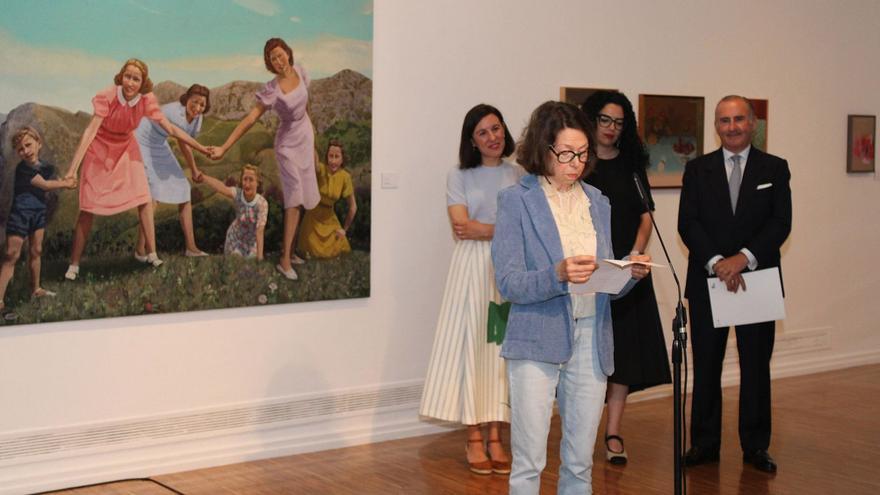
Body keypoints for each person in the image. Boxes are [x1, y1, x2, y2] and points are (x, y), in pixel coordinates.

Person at [492, 101, 652, 494]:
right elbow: (509, 283)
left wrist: (628, 273)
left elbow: (604, 282)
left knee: (580, 464)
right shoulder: (516, 201)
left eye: (582, 153)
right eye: (566, 154)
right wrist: (557, 275)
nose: (576, 163)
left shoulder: (597, 201)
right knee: (529, 463)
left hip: (591, 338)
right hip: (536, 338)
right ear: (542, 151)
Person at [678, 95, 791, 473]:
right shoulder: (697, 170)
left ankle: (756, 447)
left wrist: (743, 259)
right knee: (706, 365)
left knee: (756, 366)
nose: (732, 127)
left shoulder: (775, 168)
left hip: (756, 282)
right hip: (709, 283)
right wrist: (717, 263)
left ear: (753, 122)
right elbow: (688, 223)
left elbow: (780, 223)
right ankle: (705, 444)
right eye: (724, 121)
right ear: (716, 126)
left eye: (739, 119)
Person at [420, 104, 523, 475]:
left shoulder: (519, 174)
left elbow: (522, 228)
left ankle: (497, 435)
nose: (493, 137)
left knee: (499, 351)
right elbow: (462, 227)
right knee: (470, 348)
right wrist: (500, 228)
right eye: (483, 132)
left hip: (508, 270)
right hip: (471, 270)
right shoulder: (458, 174)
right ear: (472, 141)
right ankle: (474, 436)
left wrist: (488, 229)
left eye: (496, 128)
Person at [581, 91, 671, 464]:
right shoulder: (577, 165)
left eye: (618, 123)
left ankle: (613, 432)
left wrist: (634, 253)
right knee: (587, 355)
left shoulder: (632, 168)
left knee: (623, 358)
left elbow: (645, 216)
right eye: (604, 120)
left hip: (626, 273)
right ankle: (581, 432)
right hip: (587, 271)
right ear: (590, 120)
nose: (611, 129)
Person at [64, 58, 211, 280]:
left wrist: (201, 148)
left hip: (126, 147)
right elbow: (90, 131)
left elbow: (170, 129)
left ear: (143, 83)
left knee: (144, 197)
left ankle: (151, 254)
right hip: (101, 149)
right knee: (88, 206)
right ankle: (74, 264)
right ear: (121, 77)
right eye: (128, 77)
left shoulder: (147, 100)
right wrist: (72, 170)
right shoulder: (108, 96)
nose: (131, 83)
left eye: (136, 79)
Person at [210, 38, 319, 281]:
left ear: (288, 54)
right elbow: (250, 119)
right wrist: (225, 147)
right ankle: (284, 261)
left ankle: (289, 251)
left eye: (281, 55)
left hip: (305, 137)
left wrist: (314, 146)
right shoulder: (273, 89)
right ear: (269, 64)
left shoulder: (301, 72)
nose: (279, 61)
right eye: (273, 59)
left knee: (302, 200)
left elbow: (306, 106)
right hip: (287, 145)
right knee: (294, 199)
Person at [0, 127, 77, 312]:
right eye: (20, 149)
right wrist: (66, 184)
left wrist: (70, 178)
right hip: (20, 214)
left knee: (36, 250)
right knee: (12, 255)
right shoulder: (23, 169)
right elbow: (44, 185)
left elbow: (54, 179)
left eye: (28, 145)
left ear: (38, 144)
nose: (25, 151)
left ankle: (36, 289)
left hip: (38, 214)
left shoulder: (47, 167)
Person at [134, 84, 212, 258]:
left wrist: (193, 170)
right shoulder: (174, 112)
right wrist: (202, 150)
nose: (198, 108)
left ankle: (191, 248)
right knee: (153, 194)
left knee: (183, 188)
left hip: (159, 144)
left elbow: (184, 144)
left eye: (202, 105)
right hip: (143, 141)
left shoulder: (197, 119)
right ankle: (140, 250)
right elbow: (180, 138)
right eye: (194, 102)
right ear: (187, 99)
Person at [297, 140, 357, 259]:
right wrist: (310, 140)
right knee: (310, 251)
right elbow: (314, 163)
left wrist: (344, 229)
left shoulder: (345, 177)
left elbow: (353, 207)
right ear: (326, 157)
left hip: (330, 217)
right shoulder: (321, 169)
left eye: (336, 156)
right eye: (330, 156)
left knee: (340, 249)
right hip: (313, 216)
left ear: (342, 159)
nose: (333, 161)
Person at [196, 165, 268, 260]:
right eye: (245, 179)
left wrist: (260, 257)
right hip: (235, 238)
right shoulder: (238, 194)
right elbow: (222, 188)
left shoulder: (262, 203)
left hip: (251, 242)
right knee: (235, 260)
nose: (247, 184)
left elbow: (260, 231)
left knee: (250, 263)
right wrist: (204, 177)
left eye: (251, 180)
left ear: (257, 182)